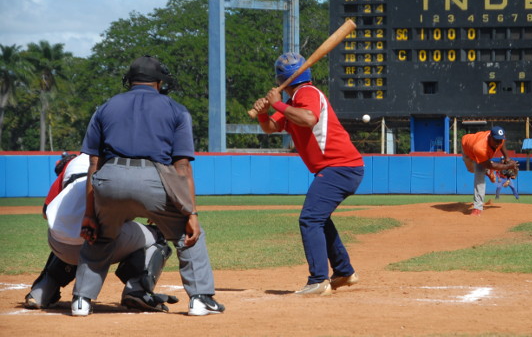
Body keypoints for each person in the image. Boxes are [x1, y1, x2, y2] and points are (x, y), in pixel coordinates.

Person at [72, 55, 224, 316]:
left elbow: (93, 164)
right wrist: (191, 213)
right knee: (188, 237)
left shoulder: (106, 107)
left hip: (109, 180)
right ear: (158, 82)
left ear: (130, 81)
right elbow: (182, 167)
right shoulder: (176, 109)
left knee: (101, 236)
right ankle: (199, 298)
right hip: (154, 179)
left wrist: (90, 214)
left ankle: (81, 301)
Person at [252, 52, 364, 296]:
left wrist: (277, 103)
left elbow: (309, 118)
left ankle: (318, 281)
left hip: (340, 166)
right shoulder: (293, 102)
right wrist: (263, 112)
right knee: (319, 218)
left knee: (310, 219)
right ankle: (344, 272)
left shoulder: (307, 93)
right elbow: (271, 127)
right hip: (339, 167)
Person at [24, 152, 177, 312]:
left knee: (71, 230)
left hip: (58, 243)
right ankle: (137, 289)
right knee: (157, 235)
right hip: (97, 242)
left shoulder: (73, 164)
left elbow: (45, 211)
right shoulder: (125, 159)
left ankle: (42, 291)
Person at [461, 126, 519, 216]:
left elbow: (502, 143)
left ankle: (477, 207)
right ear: (490, 137)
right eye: (496, 140)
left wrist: (507, 158)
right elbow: (489, 165)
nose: (498, 143)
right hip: (468, 150)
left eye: (500, 140)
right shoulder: (479, 147)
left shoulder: (499, 140)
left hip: (483, 156)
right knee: (472, 170)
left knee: (479, 175)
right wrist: (508, 166)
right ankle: (487, 170)